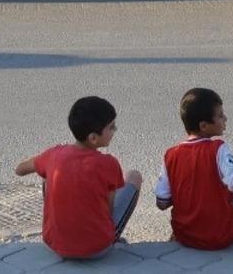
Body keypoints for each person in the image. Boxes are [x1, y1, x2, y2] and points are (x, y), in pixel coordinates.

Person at [15, 96, 142, 260]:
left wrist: (48, 163)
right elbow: (108, 210)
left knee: (47, 173)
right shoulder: (109, 163)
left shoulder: (54, 154)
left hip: (53, 244)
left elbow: (19, 170)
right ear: (93, 138)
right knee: (134, 176)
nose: (115, 130)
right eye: (111, 127)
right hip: (98, 249)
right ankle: (112, 239)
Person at [155, 88, 233, 251]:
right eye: (220, 116)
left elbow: (162, 203)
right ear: (204, 126)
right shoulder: (218, 148)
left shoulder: (170, 155)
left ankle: (186, 232)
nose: (225, 118)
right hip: (221, 235)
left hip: (185, 235)